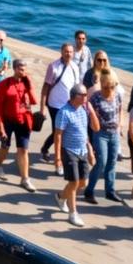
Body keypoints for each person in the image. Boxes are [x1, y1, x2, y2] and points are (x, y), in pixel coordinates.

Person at [50, 84, 97, 228]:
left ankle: (60, 197)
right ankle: (73, 213)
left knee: (83, 183)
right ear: (74, 96)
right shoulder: (64, 112)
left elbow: (90, 130)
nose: (85, 97)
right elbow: (58, 136)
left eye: (85, 95)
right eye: (82, 95)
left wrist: (89, 150)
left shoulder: (83, 110)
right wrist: (57, 158)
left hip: (82, 150)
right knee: (74, 183)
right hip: (69, 150)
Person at [0, 58, 37, 191]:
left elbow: (33, 101)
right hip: (8, 121)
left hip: (23, 120)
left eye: (24, 69)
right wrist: (1, 128)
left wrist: (29, 85)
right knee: (5, 147)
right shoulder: (4, 84)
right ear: (15, 69)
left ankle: (25, 179)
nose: (23, 72)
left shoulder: (25, 83)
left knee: (23, 150)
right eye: (21, 69)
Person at [85, 71, 126, 205]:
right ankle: (89, 190)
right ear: (101, 85)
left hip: (114, 132)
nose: (109, 90)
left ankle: (110, 190)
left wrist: (120, 125)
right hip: (100, 133)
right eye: (105, 87)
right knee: (101, 161)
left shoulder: (118, 95)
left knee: (112, 162)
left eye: (111, 87)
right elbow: (89, 115)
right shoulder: (95, 98)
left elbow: (120, 110)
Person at [38, 42, 79, 164]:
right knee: (58, 131)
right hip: (55, 105)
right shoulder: (54, 66)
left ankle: (46, 148)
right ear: (61, 52)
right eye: (66, 51)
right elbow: (45, 88)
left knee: (63, 131)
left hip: (69, 105)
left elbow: (76, 87)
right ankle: (59, 158)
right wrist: (42, 108)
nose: (68, 54)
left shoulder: (75, 67)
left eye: (71, 52)